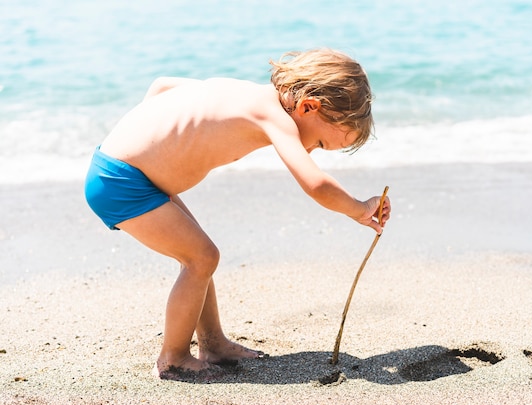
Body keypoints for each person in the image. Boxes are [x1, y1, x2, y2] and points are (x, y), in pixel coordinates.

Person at [84, 48, 391, 383]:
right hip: (124, 183)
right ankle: (172, 359)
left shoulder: (243, 93)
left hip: (126, 172)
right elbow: (316, 184)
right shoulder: (273, 117)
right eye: (318, 142)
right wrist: (360, 208)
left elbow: (162, 86)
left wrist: (152, 142)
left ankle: (213, 344)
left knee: (199, 254)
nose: (311, 150)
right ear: (308, 106)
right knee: (201, 258)